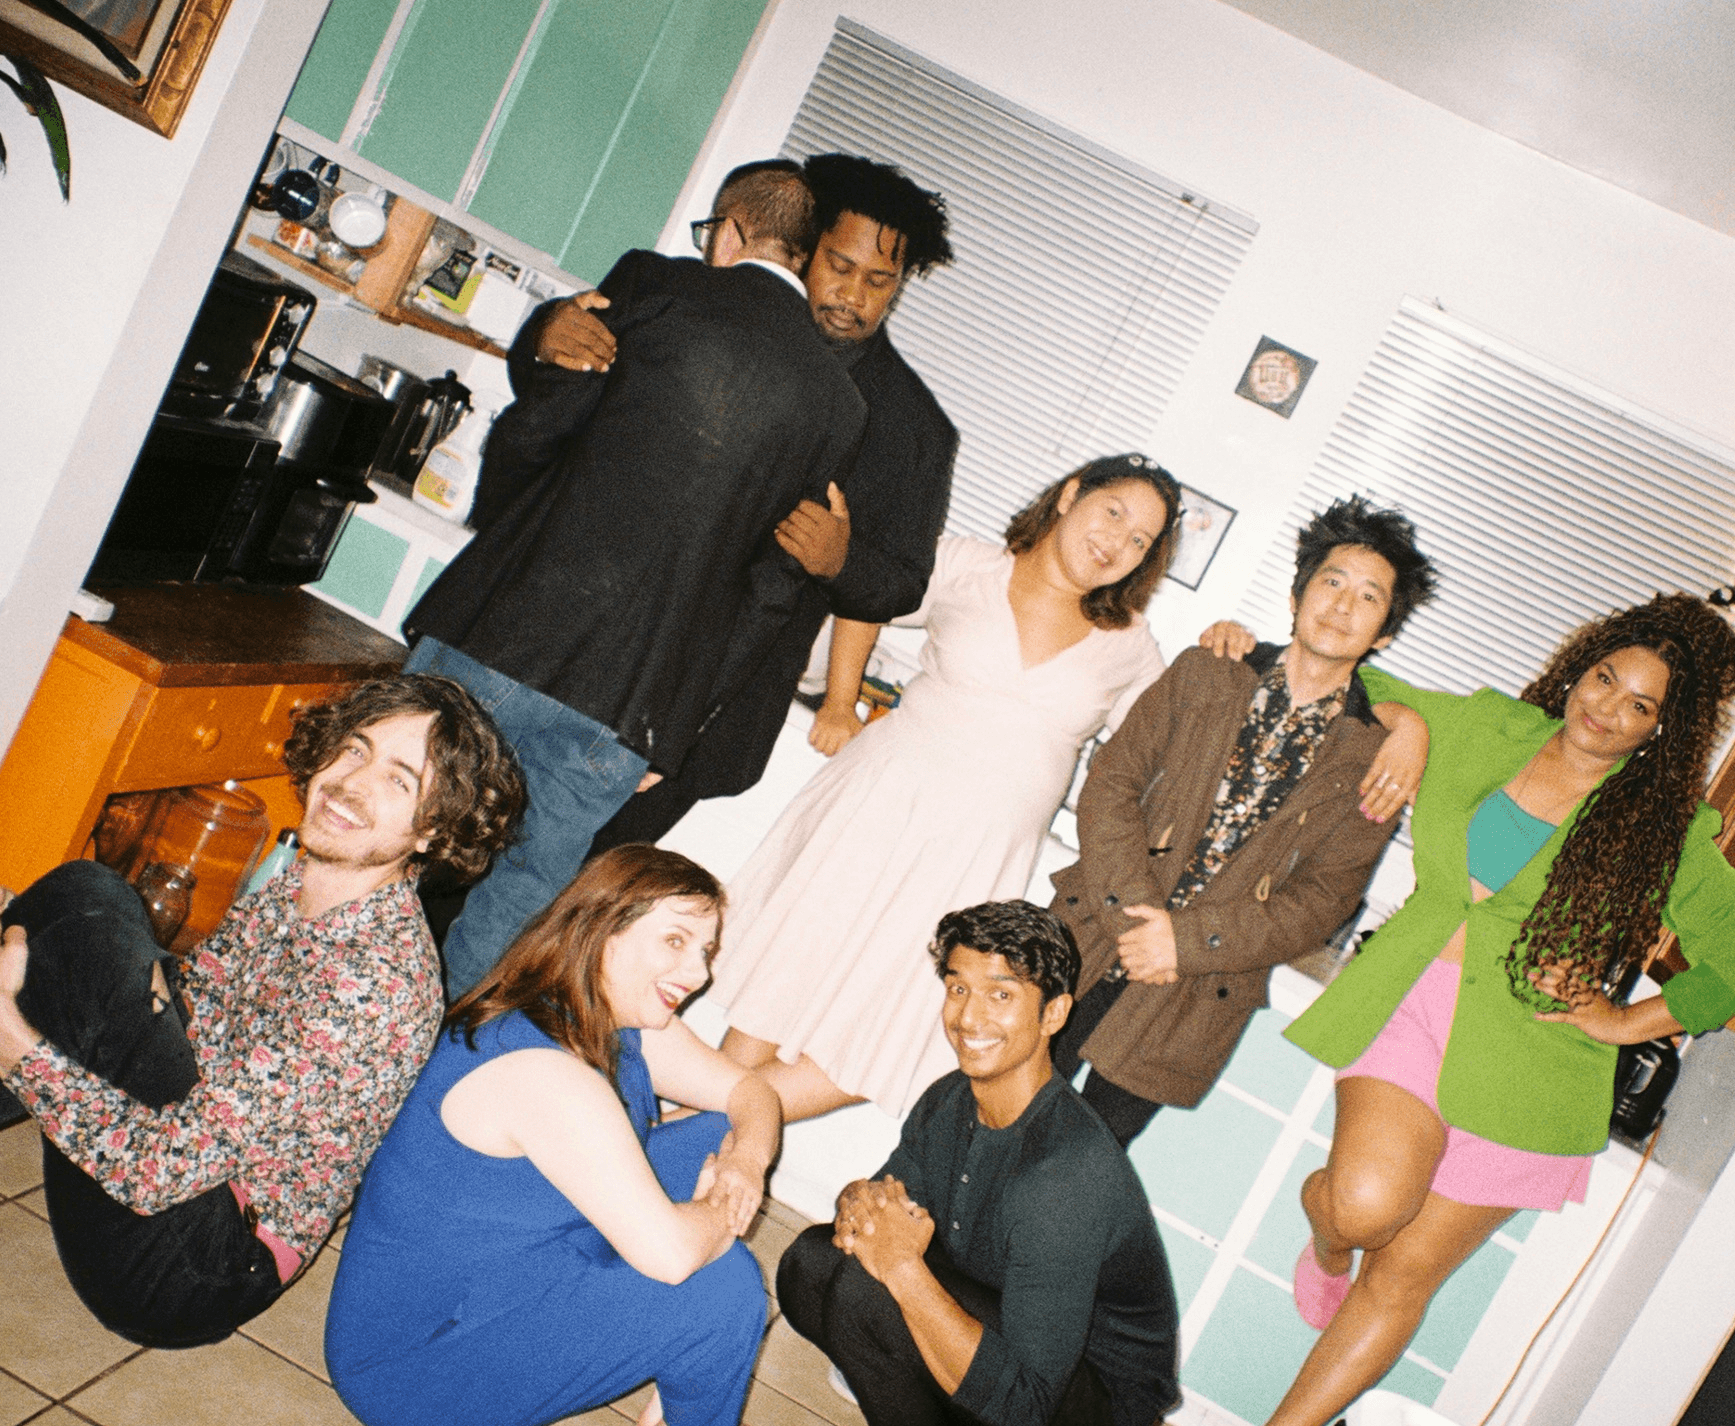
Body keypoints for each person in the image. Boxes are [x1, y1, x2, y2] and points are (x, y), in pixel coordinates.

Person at [1151, 594, 1735, 1426]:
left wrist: (1622, 1021)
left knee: (1403, 1279)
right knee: (1366, 1205)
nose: (1606, 708)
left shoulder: (1667, 832)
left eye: (1640, 705)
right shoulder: (1489, 725)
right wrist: (1407, 725)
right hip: (1412, 1004)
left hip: (1535, 1071)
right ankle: (1326, 1237)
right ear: (1580, 664)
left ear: (1663, 728)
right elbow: (1354, 679)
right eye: (1604, 676)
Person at [0, 675, 526, 1346]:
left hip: (189, 1264)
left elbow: (154, 1172)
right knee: (88, 894)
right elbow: (193, 1005)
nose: (351, 783)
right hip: (186, 1160)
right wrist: (20, 966)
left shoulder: (373, 984)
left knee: (76, 951)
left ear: (433, 833)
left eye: (399, 782)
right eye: (354, 749)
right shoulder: (306, 884)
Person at [406, 160, 867, 995]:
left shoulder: (654, 286)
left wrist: (500, 525)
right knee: (522, 896)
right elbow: (772, 589)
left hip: (501, 630)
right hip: (629, 705)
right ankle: (425, 1048)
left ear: (730, 232)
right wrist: (671, 727)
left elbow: (544, 418)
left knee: (394, 826)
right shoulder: (839, 405)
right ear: (800, 258)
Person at [711, 454, 1181, 1124]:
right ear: (1071, 495)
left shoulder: (1130, 646)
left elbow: (1167, 753)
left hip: (976, 864)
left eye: (1140, 540)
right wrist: (840, 701)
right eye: (1113, 512)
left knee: (894, 1032)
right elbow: (867, 592)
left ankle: (685, 1133)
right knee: (783, 983)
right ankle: (691, 1147)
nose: (1118, 542)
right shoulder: (967, 565)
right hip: (878, 808)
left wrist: (1230, 654)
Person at [323, 846, 787, 1426]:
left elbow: (751, 1094)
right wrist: (719, 1211)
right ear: (603, 930)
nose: (699, 972)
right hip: (418, 1365)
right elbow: (674, 1258)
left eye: (706, 950)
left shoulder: (593, 1009)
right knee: (723, 1284)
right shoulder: (543, 1075)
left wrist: (742, 1164)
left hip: (517, 1261)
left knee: (716, 1135)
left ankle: (687, 1372)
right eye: (676, 941)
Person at [590, 151, 960, 851]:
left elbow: (902, 583)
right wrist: (545, 343)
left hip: (705, 717)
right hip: (593, 646)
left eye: (879, 281)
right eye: (840, 266)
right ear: (805, 250)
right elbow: (575, 400)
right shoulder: (702, 311)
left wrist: (841, 560)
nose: (853, 295)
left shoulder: (916, 432)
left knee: (583, 898)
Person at [777, 901, 1180, 1426]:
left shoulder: (1065, 1175)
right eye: (958, 987)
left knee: (866, 1290)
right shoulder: (950, 1099)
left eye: (1001, 994)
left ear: (1054, 1014)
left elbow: (1025, 1407)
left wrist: (903, 1270)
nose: (969, 1017)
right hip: (1009, 1332)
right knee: (812, 1263)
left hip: (1085, 1409)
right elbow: (886, 1204)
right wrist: (857, 1197)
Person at [1049, 497, 1439, 1146]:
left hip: (1196, 990)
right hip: (1091, 932)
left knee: (1080, 1166)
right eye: (1331, 581)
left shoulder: (1375, 761)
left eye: (1369, 597)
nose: (1342, 605)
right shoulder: (1207, 671)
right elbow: (1112, 783)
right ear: (1296, 594)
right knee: (985, 1115)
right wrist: (1135, 919)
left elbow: (1323, 901)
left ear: (1385, 635)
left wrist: (1183, 941)